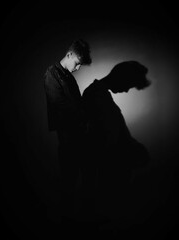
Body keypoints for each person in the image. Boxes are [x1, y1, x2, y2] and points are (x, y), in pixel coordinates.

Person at [82, 61, 151, 219]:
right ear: (121, 77)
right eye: (129, 84)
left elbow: (111, 134)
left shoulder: (101, 95)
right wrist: (129, 150)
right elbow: (103, 140)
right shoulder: (97, 96)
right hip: (107, 180)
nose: (127, 90)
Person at [44, 39, 92, 217]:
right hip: (67, 137)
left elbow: (77, 104)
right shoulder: (51, 74)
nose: (77, 69)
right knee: (69, 179)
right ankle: (67, 220)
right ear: (69, 54)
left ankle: (82, 217)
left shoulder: (68, 76)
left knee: (84, 175)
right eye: (77, 64)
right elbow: (60, 105)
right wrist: (81, 116)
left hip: (78, 134)